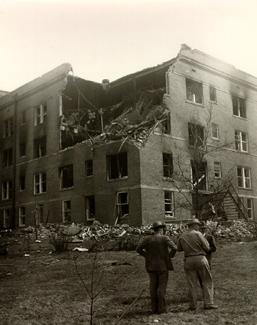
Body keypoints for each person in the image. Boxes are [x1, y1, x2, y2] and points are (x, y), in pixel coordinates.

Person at [136, 221, 177, 314]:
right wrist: (170, 256)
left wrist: (146, 255)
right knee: (162, 287)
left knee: (153, 287)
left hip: (151, 265)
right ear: (161, 229)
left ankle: (154, 308)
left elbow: (138, 249)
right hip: (163, 266)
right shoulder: (164, 238)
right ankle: (161, 309)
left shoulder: (147, 239)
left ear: (153, 230)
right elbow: (175, 248)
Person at [177, 218, 218, 311]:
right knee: (206, 280)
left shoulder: (182, 235)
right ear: (194, 225)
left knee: (191, 283)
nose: (199, 227)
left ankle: (193, 305)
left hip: (188, 259)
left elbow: (179, 248)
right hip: (200, 258)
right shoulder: (198, 234)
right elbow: (207, 247)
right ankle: (208, 303)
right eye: (197, 225)